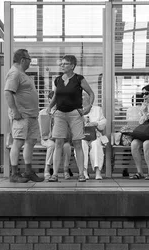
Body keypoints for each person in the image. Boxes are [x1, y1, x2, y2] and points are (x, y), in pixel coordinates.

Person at [47, 54, 95, 183]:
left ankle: (81, 174)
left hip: (75, 113)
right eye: (61, 64)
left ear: (72, 66)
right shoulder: (58, 80)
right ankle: (55, 174)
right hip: (60, 114)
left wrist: (89, 107)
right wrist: (50, 107)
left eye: (65, 63)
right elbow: (56, 96)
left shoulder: (79, 79)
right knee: (58, 143)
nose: (62, 65)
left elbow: (91, 93)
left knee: (78, 143)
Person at [4, 49, 44, 183]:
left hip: (31, 115)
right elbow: (8, 93)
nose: (30, 62)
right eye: (29, 60)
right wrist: (15, 111)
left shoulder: (22, 73)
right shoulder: (14, 73)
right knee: (18, 142)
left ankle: (28, 171)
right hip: (22, 115)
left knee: (31, 141)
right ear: (22, 60)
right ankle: (14, 174)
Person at [39, 91, 73, 181]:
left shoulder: (64, 112)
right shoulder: (43, 113)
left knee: (67, 146)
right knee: (52, 145)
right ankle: (47, 169)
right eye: (52, 101)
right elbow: (41, 130)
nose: (54, 104)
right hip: (47, 139)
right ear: (49, 100)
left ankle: (65, 170)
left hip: (62, 139)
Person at [81, 91, 106, 180]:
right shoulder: (77, 110)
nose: (82, 98)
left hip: (95, 135)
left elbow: (103, 122)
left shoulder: (97, 109)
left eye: (83, 96)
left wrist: (95, 123)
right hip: (82, 136)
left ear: (89, 98)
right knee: (81, 145)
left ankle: (97, 171)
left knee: (96, 144)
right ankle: (83, 170)